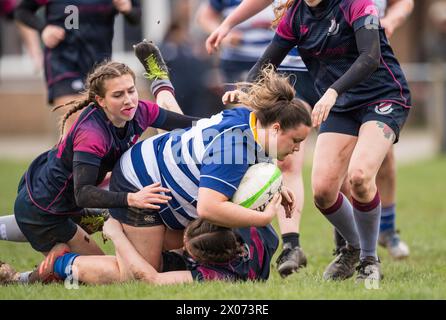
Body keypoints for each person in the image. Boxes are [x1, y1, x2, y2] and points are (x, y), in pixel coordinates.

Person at [206, 0, 414, 264]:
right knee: (323, 189)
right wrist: (244, 90)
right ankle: (342, 246)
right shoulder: (295, 17)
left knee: (360, 175)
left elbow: (371, 57)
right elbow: (265, 62)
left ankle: (369, 256)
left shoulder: (358, 5)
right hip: (330, 96)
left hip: (378, 95)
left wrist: (333, 91)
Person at [105, 42, 312, 272]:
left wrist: (274, 186)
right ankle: (79, 253)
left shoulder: (253, 120)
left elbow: (252, 162)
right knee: (141, 273)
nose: (296, 148)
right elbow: (208, 208)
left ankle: (161, 81)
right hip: (137, 181)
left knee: (177, 258)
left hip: (168, 162)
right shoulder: (233, 151)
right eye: (296, 140)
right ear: (275, 129)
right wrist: (263, 218)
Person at [0, 51, 198, 267]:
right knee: (105, 270)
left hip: (60, 199)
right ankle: (29, 274)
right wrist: (132, 198)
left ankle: (56, 247)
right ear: (100, 100)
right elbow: (83, 193)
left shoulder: (140, 111)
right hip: (44, 208)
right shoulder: (91, 134)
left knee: (110, 218)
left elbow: (188, 125)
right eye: (118, 95)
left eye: (131, 91)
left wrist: (227, 123)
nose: (128, 100)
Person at [199, 0, 318, 278]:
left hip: (293, 71)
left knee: (286, 160)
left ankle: (291, 244)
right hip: (245, 69)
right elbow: (206, 15)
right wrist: (225, 27)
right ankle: (231, 234)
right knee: (239, 155)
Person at [0, 217, 279, 285]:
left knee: (121, 274)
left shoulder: (223, 276)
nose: (184, 245)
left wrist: (116, 235)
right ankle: (75, 229)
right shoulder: (256, 227)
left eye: (189, 250)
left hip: (162, 261)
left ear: (205, 263)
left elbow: (151, 278)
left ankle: (31, 275)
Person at [14, 0, 141, 131]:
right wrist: (44, 28)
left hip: (99, 65)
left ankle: (69, 151)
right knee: (76, 119)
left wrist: (127, 8)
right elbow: (22, 11)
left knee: (96, 125)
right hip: (63, 61)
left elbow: (136, 16)